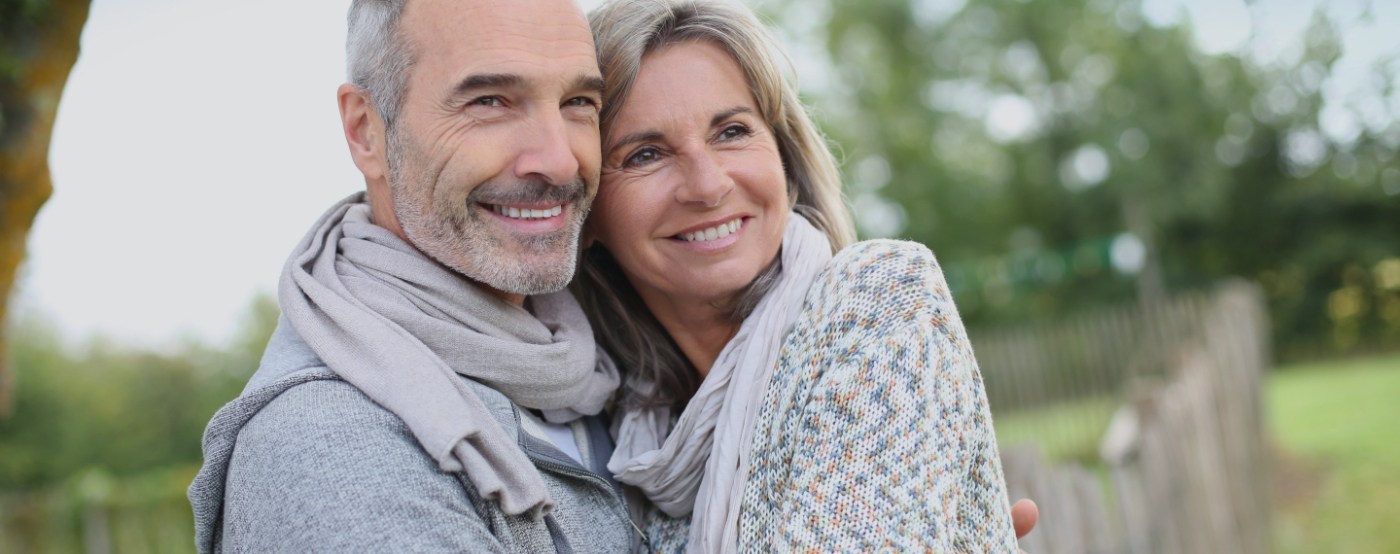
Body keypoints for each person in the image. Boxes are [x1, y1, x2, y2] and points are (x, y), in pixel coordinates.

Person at [572, 0, 1023, 551]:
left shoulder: (878, 300)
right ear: (586, 210)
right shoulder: (623, 434)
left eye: (732, 131)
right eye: (645, 154)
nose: (708, 185)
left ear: (784, 160)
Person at [187, 0, 635, 551]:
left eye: (578, 102)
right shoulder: (329, 451)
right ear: (365, 130)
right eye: (489, 101)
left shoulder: (615, 363)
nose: (560, 160)